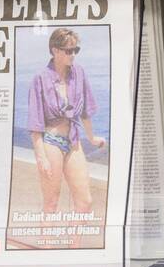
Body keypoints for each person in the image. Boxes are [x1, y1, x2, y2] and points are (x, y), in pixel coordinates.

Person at [27, 28, 107, 222]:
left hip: (73, 140)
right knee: (51, 204)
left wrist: (91, 137)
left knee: (85, 202)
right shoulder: (40, 78)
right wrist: (41, 157)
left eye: (75, 50)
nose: (73, 55)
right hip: (50, 142)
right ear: (55, 50)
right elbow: (35, 124)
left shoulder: (79, 73)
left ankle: (74, 249)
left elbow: (86, 109)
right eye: (68, 50)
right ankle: (47, 249)